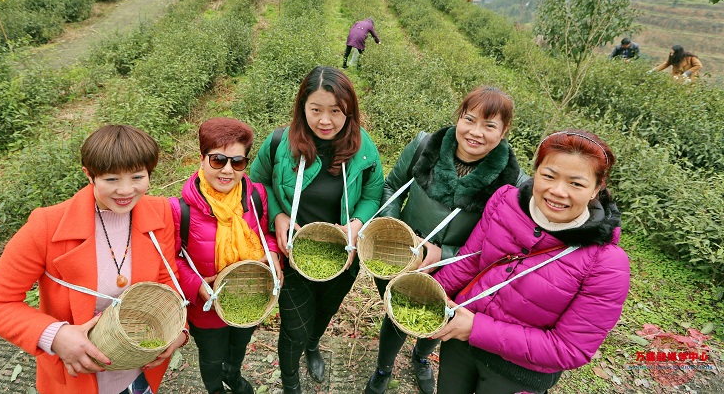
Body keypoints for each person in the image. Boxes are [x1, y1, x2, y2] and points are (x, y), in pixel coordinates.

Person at [0, 125, 188, 394]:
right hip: (77, 380)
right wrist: (56, 335)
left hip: (140, 373)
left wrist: (180, 330)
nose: (126, 191)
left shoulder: (159, 212)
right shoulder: (47, 225)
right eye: (111, 179)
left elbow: (165, 277)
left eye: (137, 177)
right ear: (89, 175)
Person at [432, 130, 630, 394]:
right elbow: (470, 261)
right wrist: (430, 294)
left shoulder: (606, 264)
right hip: (459, 344)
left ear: (596, 188)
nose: (558, 191)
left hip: (516, 374)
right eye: (548, 176)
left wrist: (477, 329)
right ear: (536, 171)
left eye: (576, 184)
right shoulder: (505, 202)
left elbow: (570, 348)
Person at [363, 86, 527, 394]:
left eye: (490, 125)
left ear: (504, 131)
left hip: (460, 268)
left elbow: (500, 244)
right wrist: (395, 230)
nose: (476, 132)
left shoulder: (512, 182)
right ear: (459, 117)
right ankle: (383, 369)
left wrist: (445, 253)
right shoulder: (426, 145)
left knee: (441, 316)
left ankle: (422, 357)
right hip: (402, 255)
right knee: (396, 313)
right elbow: (392, 186)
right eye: (470, 119)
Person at [249, 65, 384, 394]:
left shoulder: (362, 147)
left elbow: (372, 192)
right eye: (316, 110)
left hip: (342, 256)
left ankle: (314, 346)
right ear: (302, 108)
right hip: (294, 254)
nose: (325, 121)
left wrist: (357, 223)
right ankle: (291, 383)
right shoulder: (281, 143)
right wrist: (278, 215)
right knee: (293, 328)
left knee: (323, 313)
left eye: (336, 111)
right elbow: (256, 183)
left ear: (348, 111)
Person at [171, 117, 281, 394]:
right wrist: (198, 286)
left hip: (250, 294)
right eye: (218, 160)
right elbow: (172, 260)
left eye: (238, 162)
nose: (228, 171)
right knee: (210, 356)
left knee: (239, 345)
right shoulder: (180, 209)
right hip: (206, 307)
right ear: (202, 158)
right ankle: (215, 388)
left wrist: (274, 255)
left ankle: (233, 375)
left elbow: (265, 235)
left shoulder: (255, 196)